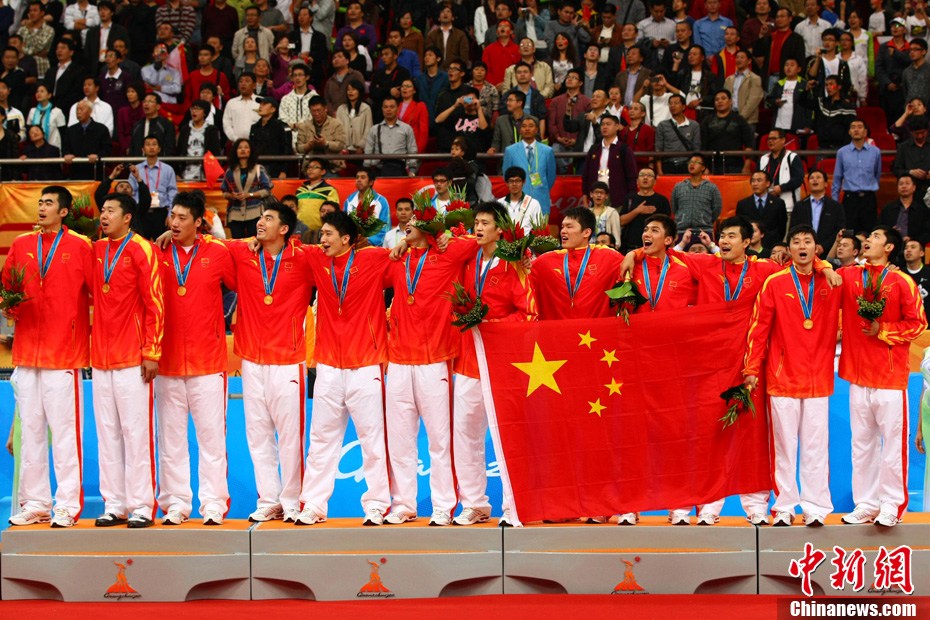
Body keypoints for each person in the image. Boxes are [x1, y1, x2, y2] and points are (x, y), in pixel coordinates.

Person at [295, 210, 393, 526]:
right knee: (321, 440)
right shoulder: (316, 258)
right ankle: (313, 504)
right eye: (321, 233)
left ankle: (377, 504)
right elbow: (280, 245)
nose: (321, 239)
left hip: (366, 364)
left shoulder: (374, 259)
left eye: (328, 234)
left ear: (346, 239)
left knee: (373, 440)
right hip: (328, 366)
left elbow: (408, 255)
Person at [382, 211, 479, 526]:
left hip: (435, 359)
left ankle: (443, 505)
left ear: (429, 228)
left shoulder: (447, 255)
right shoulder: (397, 259)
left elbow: (481, 239)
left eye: (414, 221)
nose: (407, 224)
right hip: (398, 360)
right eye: (406, 221)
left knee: (440, 440)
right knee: (400, 439)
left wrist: (446, 236)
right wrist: (400, 246)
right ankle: (403, 504)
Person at [4, 187, 92, 528]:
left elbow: (102, 291)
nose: (41, 208)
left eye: (49, 203)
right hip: (27, 353)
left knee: (65, 433)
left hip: (64, 354)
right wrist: (8, 307)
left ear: (64, 211)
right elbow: (8, 289)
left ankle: (67, 504)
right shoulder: (21, 244)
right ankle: (36, 503)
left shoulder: (81, 246)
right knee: (31, 434)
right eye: (39, 202)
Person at [743, 224, 842, 527]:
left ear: (816, 248)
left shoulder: (832, 280)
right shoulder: (775, 283)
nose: (802, 246)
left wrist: (825, 267)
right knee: (784, 447)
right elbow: (758, 328)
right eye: (796, 242)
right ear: (788, 250)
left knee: (815, 447)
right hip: (782, 377)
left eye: (807, 241)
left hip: (817, 378)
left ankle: (815, 507)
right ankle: (784, 506)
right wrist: (751, 368)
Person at [223, 202, 313, 523]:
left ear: (284, 229)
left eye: (268, 219)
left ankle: (292, 500)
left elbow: (339, 250)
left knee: (290, 436)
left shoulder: (304, 258)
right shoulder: (242, 251)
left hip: (288, 359)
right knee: (258, 433)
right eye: (261, 218)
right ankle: (269, 499)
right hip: (251, 359)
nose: (260, 222)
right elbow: (207, 244)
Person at [452, 202, 537, 527]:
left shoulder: (514, 264)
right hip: (468, 361)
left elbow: (529, 314)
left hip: (503, 365)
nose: (478, 227)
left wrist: (491, 325)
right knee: (466, 434)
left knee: (509, 435)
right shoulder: (468, 259)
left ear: (500, 230)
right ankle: (474, 503)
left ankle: (515, 505)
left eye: (485, 223)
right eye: (476, 222)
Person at [155, 191, 235, 526]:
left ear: (198, 221)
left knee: (211, 438)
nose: (174, 223)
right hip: (167, 361)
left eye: (182, 218)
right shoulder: (157, 252)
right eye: (172, 216)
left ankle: (213, 503)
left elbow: (239, 280)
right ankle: (176, 502)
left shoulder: (218, 252)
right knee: (170, 440)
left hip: (208, 361)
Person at [839, 226, 928, 527]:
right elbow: (823, 275)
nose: (868, 240)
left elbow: (918, 324)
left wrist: (883, 331)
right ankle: (866, 503)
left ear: (889, 247)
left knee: (892, 445)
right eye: (868, 237)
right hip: (857, 375)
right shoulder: (850, 276)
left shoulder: (902, 281)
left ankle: (891, 505)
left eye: (875, 237)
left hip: (890, 376)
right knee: (861, 444)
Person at [91, 193, 164, 528]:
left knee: (136, 433)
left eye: (111, 211)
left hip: (133, 357)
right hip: (101, 358)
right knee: (107, 433)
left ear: (127, 217)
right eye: (102, 210)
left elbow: (155, 304)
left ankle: (142, 505)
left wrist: (151, 352)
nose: (104, 216)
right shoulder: (96, 250)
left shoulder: (140, 249)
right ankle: (114, 503)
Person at [531, 206, 623, 320]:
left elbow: (639, 264)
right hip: (558, 330)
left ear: (586, 232)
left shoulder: (608, 257)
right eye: (563, 226)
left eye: (569, 227)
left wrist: (633, 254)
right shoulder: (546, 260)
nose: (563, 231)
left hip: (596, 330)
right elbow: (522, 279)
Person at [832, 120, 881, 234]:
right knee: (849, 234)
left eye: (859, 127)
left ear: (865, 132)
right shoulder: (842, 152)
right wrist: (835, 204)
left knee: (869, 233)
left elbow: (877, 174)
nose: (856, 130)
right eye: (853, 127)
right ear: (849, 132)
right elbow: (837, 179)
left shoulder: (875, 152)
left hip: (869, 198)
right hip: (850, 199)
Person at [580, 113, 638, 210]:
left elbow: (631, 176)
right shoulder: (594, 149)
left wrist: (631, 198)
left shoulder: (623, 149)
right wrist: (585, 196)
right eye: (602, 124)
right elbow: (586, 175)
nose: (604, 127)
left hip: (617, 197)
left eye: (608, 124)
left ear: (617, 126)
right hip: (596, 195)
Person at [501, 117, 556, 217]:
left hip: (541, 200)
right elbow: (506, 175)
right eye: (524, 126)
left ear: (536, 130)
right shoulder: (510, 151)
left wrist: (539, 187)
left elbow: (551, 177)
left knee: (541, 228)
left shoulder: (547, 151)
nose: (527, 129)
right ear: (520, 130)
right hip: (518, 201)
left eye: (531, 126)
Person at [221, 138, 274, 239]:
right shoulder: (230, 171)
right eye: (240, 148)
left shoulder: (258, 169)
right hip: (235, 213)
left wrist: (249, 195)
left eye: (246, 147)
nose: (243, 149)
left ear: (251, 151)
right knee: (237, 243)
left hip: (255, 212)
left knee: (255, 241)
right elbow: (224, 192)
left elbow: (267, 190)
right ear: (235, 151)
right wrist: (232, 196)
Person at [129, 135, 177, 240]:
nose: (151, 147)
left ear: (159, 149)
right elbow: (131, 192)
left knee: (162, 245)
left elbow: (172, 193)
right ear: (143, 149)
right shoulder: (136, 169)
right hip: (142, 213)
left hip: (161, 213)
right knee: (140, 245)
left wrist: (170, 214)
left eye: (154, 144)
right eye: (148, 144)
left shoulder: (168, 170)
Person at [790, 169, 845, 258]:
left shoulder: (836, 207)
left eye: (818, 177)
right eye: (812, 178)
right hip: (804, 252)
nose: (815, 180)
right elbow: (793, 230)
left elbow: (839, 230)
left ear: (826, 183)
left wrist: (823, 247)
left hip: (829, 253)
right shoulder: (799, 206)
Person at [363, 96, 418, 178]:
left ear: (397, 109)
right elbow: (368, 152)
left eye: (392, 107)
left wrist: (412, 171)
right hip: (379, 170)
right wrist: (366, 171)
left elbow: (412, 150)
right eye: (385, 107)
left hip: (399, 169)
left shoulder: (406, 128)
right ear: (382, 109)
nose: (388, 110)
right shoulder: (374, 129)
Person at [618, 168, 671, 254]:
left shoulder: (662, 200)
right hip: (631, 248)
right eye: (642, 175)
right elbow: (621, 221)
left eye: (649, 175)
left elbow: (667, 225)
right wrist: (637, 211)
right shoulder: (629, 198)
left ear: (655, 181)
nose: (645, 178)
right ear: (637, 181)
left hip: (654, 248)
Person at [547, 69, 590, 174]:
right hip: (559, 142)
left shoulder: (587, 102)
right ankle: (566, 174)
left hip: (579, 143)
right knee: (554, 150)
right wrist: (558, 138)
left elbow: (587, 126)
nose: (569, 79)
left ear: (580, 83)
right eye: (568, 77)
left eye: (574, 78)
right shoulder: (556, 101)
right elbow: (552, 123)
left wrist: (577, 140)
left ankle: (570, 174)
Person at [701, 89, 753, 174]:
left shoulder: (739, 120)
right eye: (717, 99)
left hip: (735, 165)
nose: (720, 101)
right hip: (712, 165)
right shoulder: (707, 121)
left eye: (723, 98)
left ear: (730, 101)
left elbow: (749, 144)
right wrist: (704, 167)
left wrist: (747, 166)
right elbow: (703, 146)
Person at [736, 171, 788, 255]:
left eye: (759, 180)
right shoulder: (743, 204)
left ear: (768, 183)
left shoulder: (778, 203)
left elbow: (782, 227)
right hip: (749, 250)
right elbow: (740, 226)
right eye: (753, 181)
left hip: (771, 247)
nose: (755, 184)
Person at [752, 7, 807, 88]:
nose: (779, 19)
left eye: (782, 16)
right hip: (769, 78)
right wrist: (761, 35)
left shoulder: (796, 39)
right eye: (777, 17)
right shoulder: (770, 37)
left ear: (790, 19)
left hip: (788, 79)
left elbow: (801, 61)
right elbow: (757, 53)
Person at [670, 153, 722, 236]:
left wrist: (704, 220)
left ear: (703, 167)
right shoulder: (678, 186)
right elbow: (674, 208)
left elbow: (717, 209)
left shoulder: (711, 188)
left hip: (704, 231)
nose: (692, 164)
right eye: (690, 162)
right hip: (681, 231)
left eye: (696, 162)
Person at [61, 100, 112, 180]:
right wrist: (67, 154)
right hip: (76, 171)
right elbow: (65, 148)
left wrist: (98, 156)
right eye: (77, 110)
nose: (78, 112)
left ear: (90, 111)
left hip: (95, 171)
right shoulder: (70, 130)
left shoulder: (101, 129)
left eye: (81, 109)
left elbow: (107, 149)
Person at [802, 75, 856, 151]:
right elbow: (802, 102)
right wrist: (806, 89)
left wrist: (845, 148)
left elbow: (851, 128)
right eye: (826, 85)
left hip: (841, 148)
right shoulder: (821, 103)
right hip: (822, 147)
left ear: (839, 87)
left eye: (831, 84)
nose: (828, 87)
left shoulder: (847, 107)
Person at [759, 128, 805, 214]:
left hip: (788, 208)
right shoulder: (763, 159)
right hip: (766, 207)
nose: (770, 141)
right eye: (769, 139)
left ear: (783, 140)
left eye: (774, 138)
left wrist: (781, 188)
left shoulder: (792, 157)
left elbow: (798, 179)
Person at [342, 167, 390, 247]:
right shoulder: (349, 201)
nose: (359, 180)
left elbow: (385, 229)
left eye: (363, 177)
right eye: (357, 177)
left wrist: (369, 241)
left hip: (373, 247)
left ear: (371, 182)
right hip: (351, 245)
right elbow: (343, 225)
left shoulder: (381, 201)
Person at [177, 100, 224, 181]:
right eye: (192, 108)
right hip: (185, 173)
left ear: (204, 113)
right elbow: (179, 151)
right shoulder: (185, 129)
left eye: (198, 109)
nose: (194, 111)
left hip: (204, 174)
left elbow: (215, 152)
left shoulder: (211, 130)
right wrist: (177, 173)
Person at [655, 94, 700, 174]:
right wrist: (659, 171)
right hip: (668, 165)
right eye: (670, 103)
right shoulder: (662, 125)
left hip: (688, 165)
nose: (672, 106)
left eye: (676, 103)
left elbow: (697, 148)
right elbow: (658, 149)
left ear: (683, 107)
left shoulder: (694, 125)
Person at [880, 174, 930, 246]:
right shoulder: (888, 208)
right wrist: (890, 232)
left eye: (907, 183)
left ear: (914, 187)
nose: (904, 186)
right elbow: (880, 228)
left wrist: (912, 239)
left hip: (914, 246)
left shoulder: (922, 210)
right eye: (901, 184)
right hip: (891, 245)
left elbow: (927, 233)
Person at [248, 96, 291, 179]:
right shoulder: (254, 127)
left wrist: (283, 171)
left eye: (264, 104)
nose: (260, 106)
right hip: (256, 167)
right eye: (260, 104)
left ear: (273, 109)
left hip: (274, 168)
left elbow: (286, 149)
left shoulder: (281, 126)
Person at [767, 59, 811, 137]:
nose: (788, 67)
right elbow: (769, 100)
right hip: (779, 125)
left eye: (792, 65)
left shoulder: (804, 84)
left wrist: (808, 125)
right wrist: (776, 101)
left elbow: (809, 106)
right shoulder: (779, 84)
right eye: (786, 65)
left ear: (799, 69)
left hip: (797, 125)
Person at [296, 157, 340, 233]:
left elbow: (334, 212)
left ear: (323, 171)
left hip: (320, 231)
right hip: (300, 231)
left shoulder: (329, 190)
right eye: (309, 167)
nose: (310, 169)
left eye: (315, 167)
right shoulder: (300, 190)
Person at [369, 44, 410, 124]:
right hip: (378, 111)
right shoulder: (378, 73)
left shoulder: (403, 72)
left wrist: (380, 89)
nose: (383, 57)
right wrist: (389, 90)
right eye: (382, 55)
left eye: (386, 54)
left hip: (396, 113)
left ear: (395, 56)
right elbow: (373, 92)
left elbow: (398, 93)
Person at [723, 50, 763, 130]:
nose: (739, 60)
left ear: (749, 61)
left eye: (742, 57)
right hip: (730, 118)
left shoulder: (755, 78)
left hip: (748, 120)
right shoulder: (729, 79)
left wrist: (740, 118)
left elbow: (753, 101)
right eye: (737, 57)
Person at [893, 115, 930, 200]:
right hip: (911, 193)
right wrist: (910, 172)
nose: (920, 136)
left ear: (927, 131)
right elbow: (896, 170)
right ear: (911, 132)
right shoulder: (903, 147)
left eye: (922, 132)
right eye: (917, 133)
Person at [497, 166, 542, 234]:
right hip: (505, 239)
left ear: (523, 182)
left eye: (518, 181)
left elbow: (538, 228)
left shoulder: (534, 203)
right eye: (511, 181)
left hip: (527, 240)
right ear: (506, 183)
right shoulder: (499, 203)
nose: (514, 184)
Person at [425, 5, 469, 70]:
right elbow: (429, 54)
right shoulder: (432, 35)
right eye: (442, 12)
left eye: (448, 11)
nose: (445, 13)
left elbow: (464, 56)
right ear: (439, 18)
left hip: (455, 70)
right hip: (437, 70)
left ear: (453, 17)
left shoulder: (460, 35)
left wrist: (462, 70)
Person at [223, 73, 261, 143]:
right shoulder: (231, 103)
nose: (243, 84)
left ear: (254, 85)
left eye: (247, 81)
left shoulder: (261, 101)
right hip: (236, 143)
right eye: (241, 81)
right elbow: (226, 124)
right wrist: (235, 139)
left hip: (257, 143)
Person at [26, 83, 65, 150]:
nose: (38, 94)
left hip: (53, 147)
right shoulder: (32, 111)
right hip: (36, 148)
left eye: (42, 91)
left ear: (49, 95)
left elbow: (63, 133)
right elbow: (29, 130)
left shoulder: (57, 111)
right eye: (37, 91)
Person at [903, 238, 930, 319]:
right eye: (906, 248)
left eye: (913, 247)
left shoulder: (928, 273)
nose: (908, 250)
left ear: (922, 253)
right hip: (905, 321)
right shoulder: (899, 274)